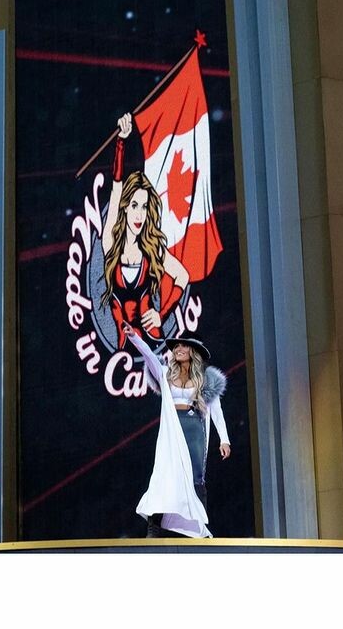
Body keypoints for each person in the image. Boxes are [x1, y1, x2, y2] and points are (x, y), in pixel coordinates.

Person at [122, 321, 231, 538]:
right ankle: (154, 528)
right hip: (172, 430)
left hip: (194, 430)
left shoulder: (205, 379)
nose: (178, 349)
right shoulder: (165, 373)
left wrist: (224, 439)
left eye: (184, 345)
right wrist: (134, 336)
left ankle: (199, 530)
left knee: (196, 477)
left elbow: (216, 410)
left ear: (193, 351)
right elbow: (149, 356)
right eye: (176, 346)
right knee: (164, 474)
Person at [101, 112, 188, 350]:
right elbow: (116, 188)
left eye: (144, 207)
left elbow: (182, 276)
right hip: (122, 352)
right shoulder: (110, 243)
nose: (139, 214)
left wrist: (162, 314)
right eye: (134, 205)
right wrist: (121, 142)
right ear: (125, 207)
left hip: (153, 344)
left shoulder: (152, 248)